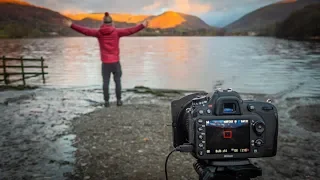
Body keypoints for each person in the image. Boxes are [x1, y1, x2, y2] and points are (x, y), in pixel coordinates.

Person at [63, 12, 148, 107]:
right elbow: (130, 30)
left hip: (105, 63)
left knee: (105, 83)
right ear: (112, 22)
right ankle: (119, 101)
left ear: (103, 22)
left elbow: (85, 31)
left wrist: (71, 25)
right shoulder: (117, 32)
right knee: (118, 82)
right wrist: (142, 25)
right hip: (115, 62)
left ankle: (106, 102)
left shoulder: (98, 33)